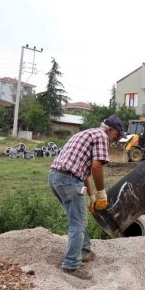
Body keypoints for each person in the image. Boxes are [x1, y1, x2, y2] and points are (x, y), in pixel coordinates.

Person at [48, 115, 124, 280]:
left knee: (77, 217)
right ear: (110, 130)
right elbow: (96, 166)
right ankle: (71, 266)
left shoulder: (85, 134)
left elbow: (83, 172)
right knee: (78, 223)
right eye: (117, 136)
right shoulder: (102, 137)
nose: (116, 140)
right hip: (68, 180)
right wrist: (101, 192)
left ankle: (85, 250)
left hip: (56, 178)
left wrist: (90, 196)